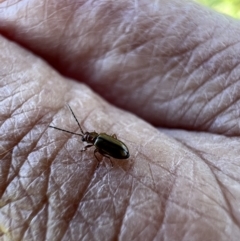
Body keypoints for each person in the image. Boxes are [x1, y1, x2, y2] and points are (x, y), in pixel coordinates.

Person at [0, 0, 239, 240]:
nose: (87, 138)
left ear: (92, 137)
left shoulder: (97, 145)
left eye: (87, 137)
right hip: (120, 150)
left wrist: (108, 157)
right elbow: (110, 145)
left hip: (121, 152)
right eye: (87, 137)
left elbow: (104, 151)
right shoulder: (99, 138)